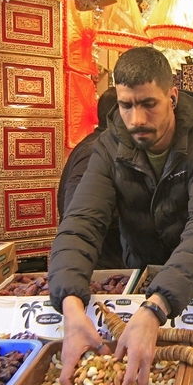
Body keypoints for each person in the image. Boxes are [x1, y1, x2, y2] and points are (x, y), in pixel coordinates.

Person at [48, 47, 193, 385]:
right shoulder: (109, 147)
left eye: (148, 103)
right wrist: (70, 307)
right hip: (143, 278)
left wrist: (156, 307)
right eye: (126, 105)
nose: (136, 119)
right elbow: (80, 223)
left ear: (172, 96)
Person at [56, 87, 123, 269]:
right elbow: (77, 213)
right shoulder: (95, 151)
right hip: (101, 263)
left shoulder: (105, 145)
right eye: (129, 106)